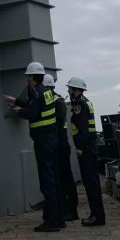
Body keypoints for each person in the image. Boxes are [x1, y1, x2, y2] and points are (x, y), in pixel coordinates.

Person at [4, 62, 64, 232]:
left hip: (43, 141)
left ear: (31, 77)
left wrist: (18, 111)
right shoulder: (46, 92)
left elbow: (32, 112)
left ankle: (51, 222)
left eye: (27, 76)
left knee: (46, 181)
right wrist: (16, 100)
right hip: (52, 139)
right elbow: (33, 104)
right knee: (55, 179)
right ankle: (59, 218)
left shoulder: (37, 92)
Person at [67, 76, 106, 227]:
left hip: (86, 148)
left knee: (90, 183)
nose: (68, 90)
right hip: (91, 146)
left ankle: (97, 216)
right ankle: (96, 214)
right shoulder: (86, 101)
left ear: (74, 89)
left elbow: (82, 128)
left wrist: (80, 147)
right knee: (92, 182)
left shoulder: (79, 104)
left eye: (69, 88)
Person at [43, 74, 79, 222]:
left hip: (61, 145)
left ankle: (72, 210)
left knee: (65, 178)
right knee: (59, 178)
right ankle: (64, 208)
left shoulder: (57, 102)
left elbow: (57, 125)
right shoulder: (53, 101)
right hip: (57, 144)